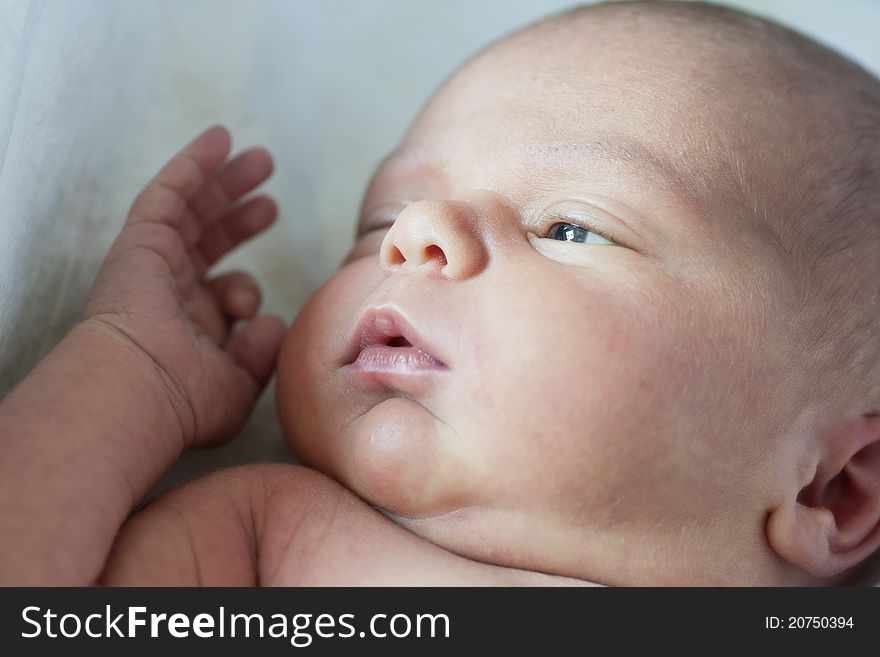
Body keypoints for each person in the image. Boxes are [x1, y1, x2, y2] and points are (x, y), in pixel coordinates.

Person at [1, 0, 878, 586]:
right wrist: (132, 368)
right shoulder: (275, 543)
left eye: (569, 228)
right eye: (378, 216)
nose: (412, 234)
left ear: (830, 490)